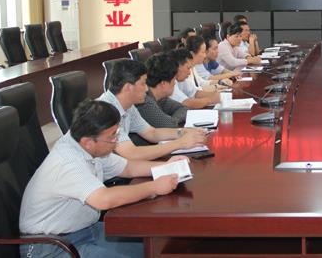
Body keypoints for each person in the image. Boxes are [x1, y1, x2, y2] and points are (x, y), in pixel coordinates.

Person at [19, 99, 185, 258]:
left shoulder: (88, 146)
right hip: (51, 248)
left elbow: (127, 168)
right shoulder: (68, 162)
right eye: (112, 136)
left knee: (155, 248)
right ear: (88, 142)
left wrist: (165, 167)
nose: (116, 141)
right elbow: (104, 199)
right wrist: (154, 187)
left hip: (85, 231)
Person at [97, 59, 208, 160]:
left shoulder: (128, 105)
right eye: (143, 83)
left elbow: (151, 133)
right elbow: (132, 153)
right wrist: (180, 143)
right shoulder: (105, 111)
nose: (146, 89)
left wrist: (183, 132)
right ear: (128, 87)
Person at [134, 52, 187, 128]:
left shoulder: (160, 98)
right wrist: (172, 121)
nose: (175, 83)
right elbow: (169, 125)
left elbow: (183, 108)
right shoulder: (145, 102)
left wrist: (173, 120)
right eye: (174, 79)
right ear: (163, 83)